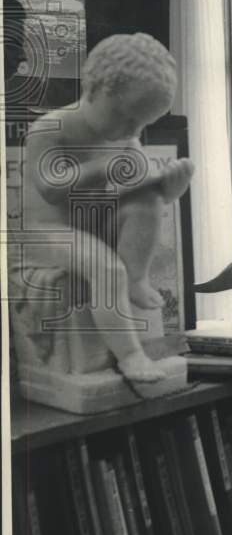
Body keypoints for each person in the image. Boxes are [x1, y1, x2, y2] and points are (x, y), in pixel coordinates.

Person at [13, 32, 194, 383]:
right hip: (46, 233)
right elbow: (50, 188)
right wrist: (101, 167)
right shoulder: (51, 128)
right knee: (107, 268)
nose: (133, 130)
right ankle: (130, 355)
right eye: (127, 118)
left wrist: (170, 187)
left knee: (147, 200)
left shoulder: (124, 136)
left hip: (93, 223)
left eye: (143, 124)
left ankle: (136, 278)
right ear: (95, 89)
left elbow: (142, 182)